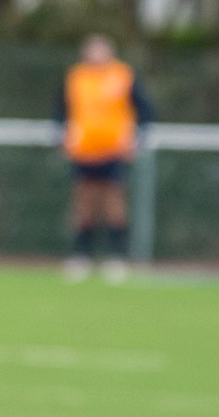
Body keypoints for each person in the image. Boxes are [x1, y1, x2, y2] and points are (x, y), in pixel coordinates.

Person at [57, 34, 152, 282]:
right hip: (84, 151)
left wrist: (138, 137)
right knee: (83, 204)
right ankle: (82, 256)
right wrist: (62, 135)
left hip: (113, 151)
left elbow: (145, 110)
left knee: (114, 204)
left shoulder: (122, 76)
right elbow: (61, 111)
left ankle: (116, 258)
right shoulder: (76, 77)